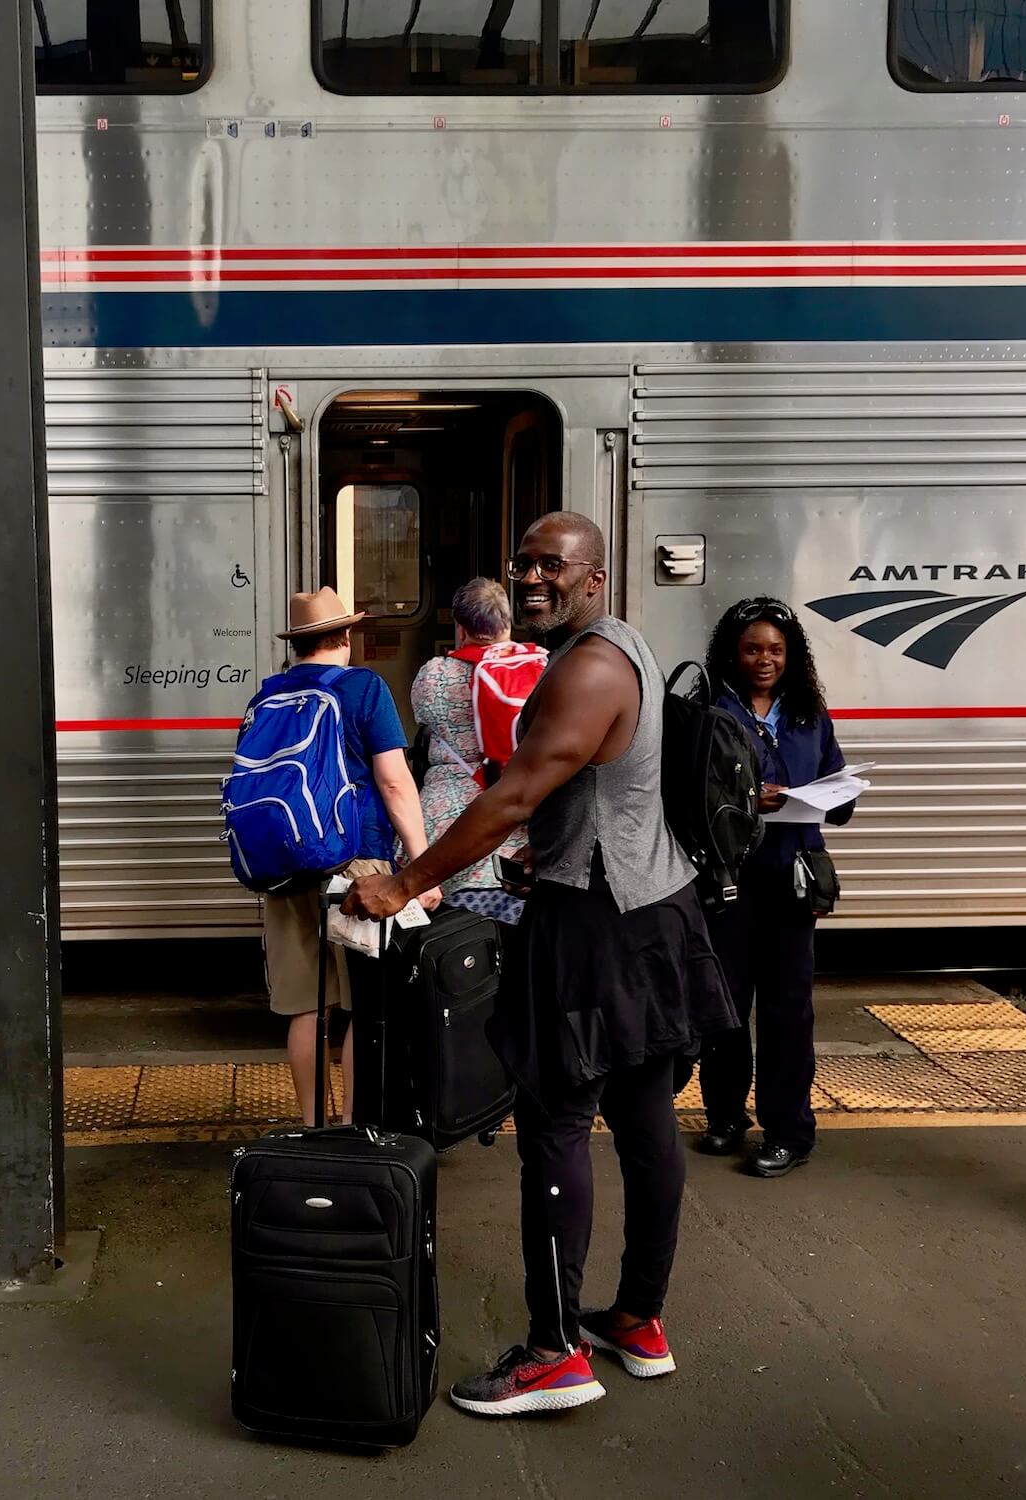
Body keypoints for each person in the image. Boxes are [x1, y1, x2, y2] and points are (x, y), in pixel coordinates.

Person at [343, 513, 736, 1418]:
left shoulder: (586, 666)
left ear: (594, 577)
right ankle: (638, 1319)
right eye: (521, 562)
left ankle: (555, 1351)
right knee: (644, 1118)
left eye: (551, 566)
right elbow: (589, 788)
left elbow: (515, 788)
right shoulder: (624, 645)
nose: (530, 578)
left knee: (555, 1124)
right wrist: (544, 848)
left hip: (596, 926)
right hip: (652, 909)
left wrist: (403, 883)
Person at [262, 587, 441, 1125]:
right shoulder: (364, 688)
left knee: (305, 1006)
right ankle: (356, 1127)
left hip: (284, 867)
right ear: (344, 635)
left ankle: (313, 1127)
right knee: (366, 1007)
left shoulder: (268, 695)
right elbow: (393, 781)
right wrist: (422, 865)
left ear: (297, 644)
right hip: (357, 865)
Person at [696, 597, 855, 1178]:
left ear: (791, 656)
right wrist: (743, 799)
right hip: (729, 878)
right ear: (732, 653)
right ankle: (725, 1116)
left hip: (793, 878)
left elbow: (837, 784)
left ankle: (788, 1132)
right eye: (753, 649)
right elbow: (685, 795)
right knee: (725, 1004)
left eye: (776, 650)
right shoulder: (709, 709)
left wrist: (835, 798)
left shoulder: (810, 714)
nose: (765, 660)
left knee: (789, 1010)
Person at [410, 576, 544, 925]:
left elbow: (422, 716)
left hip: (448, 830)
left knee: (455, 941)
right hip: (517, 822)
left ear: (461, 626)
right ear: (508, 620)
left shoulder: (436, 674)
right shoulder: (544, 666)